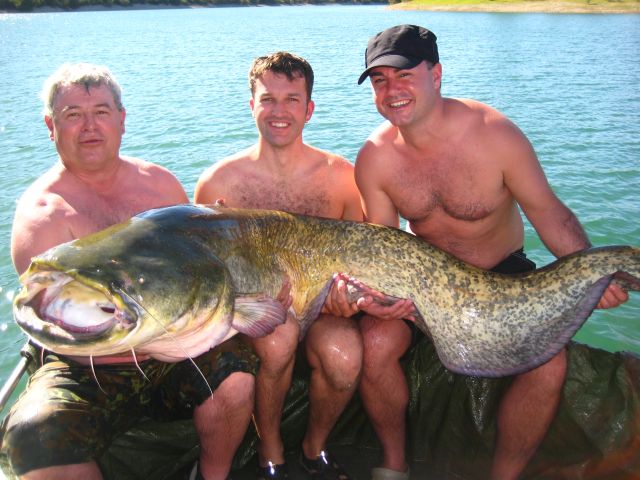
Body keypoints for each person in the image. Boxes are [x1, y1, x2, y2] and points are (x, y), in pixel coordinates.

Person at [354, 24, 629, 480]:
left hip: (504, 275)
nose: (392, 90)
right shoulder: (374, 158)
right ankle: (395, 464)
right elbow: (384, 245)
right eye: (379, 80)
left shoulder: (496, 135)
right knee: (374, 342)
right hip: (425, 285)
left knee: (550, 364)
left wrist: (591, 271)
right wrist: (378, 298)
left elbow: (549, 213)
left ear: (436, 74)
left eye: (404, 75)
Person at [1, 63, 257, 480]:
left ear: (121, 119)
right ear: (51, 126)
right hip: (87, 366)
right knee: (33, 436)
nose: (90, 127)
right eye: (73, 115)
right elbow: (60, 330)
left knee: (236, 377)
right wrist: (175, 337)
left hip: (176, 345)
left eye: (101, 112)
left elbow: (197, 270)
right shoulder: (41, 216)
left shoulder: (160, 185)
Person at [195, 52, 366, 480]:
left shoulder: (342, 177)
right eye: (268, 99)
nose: (279, 111)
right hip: (254, 315)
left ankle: (314, 447)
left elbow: (363, 253)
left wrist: (348, 296)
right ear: (251, 105)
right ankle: (270, 448)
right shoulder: (219, 183)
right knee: (278, 338)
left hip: (324, 309)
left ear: (309, 108)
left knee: (345, 357)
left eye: (292, 100)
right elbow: (206, 274)